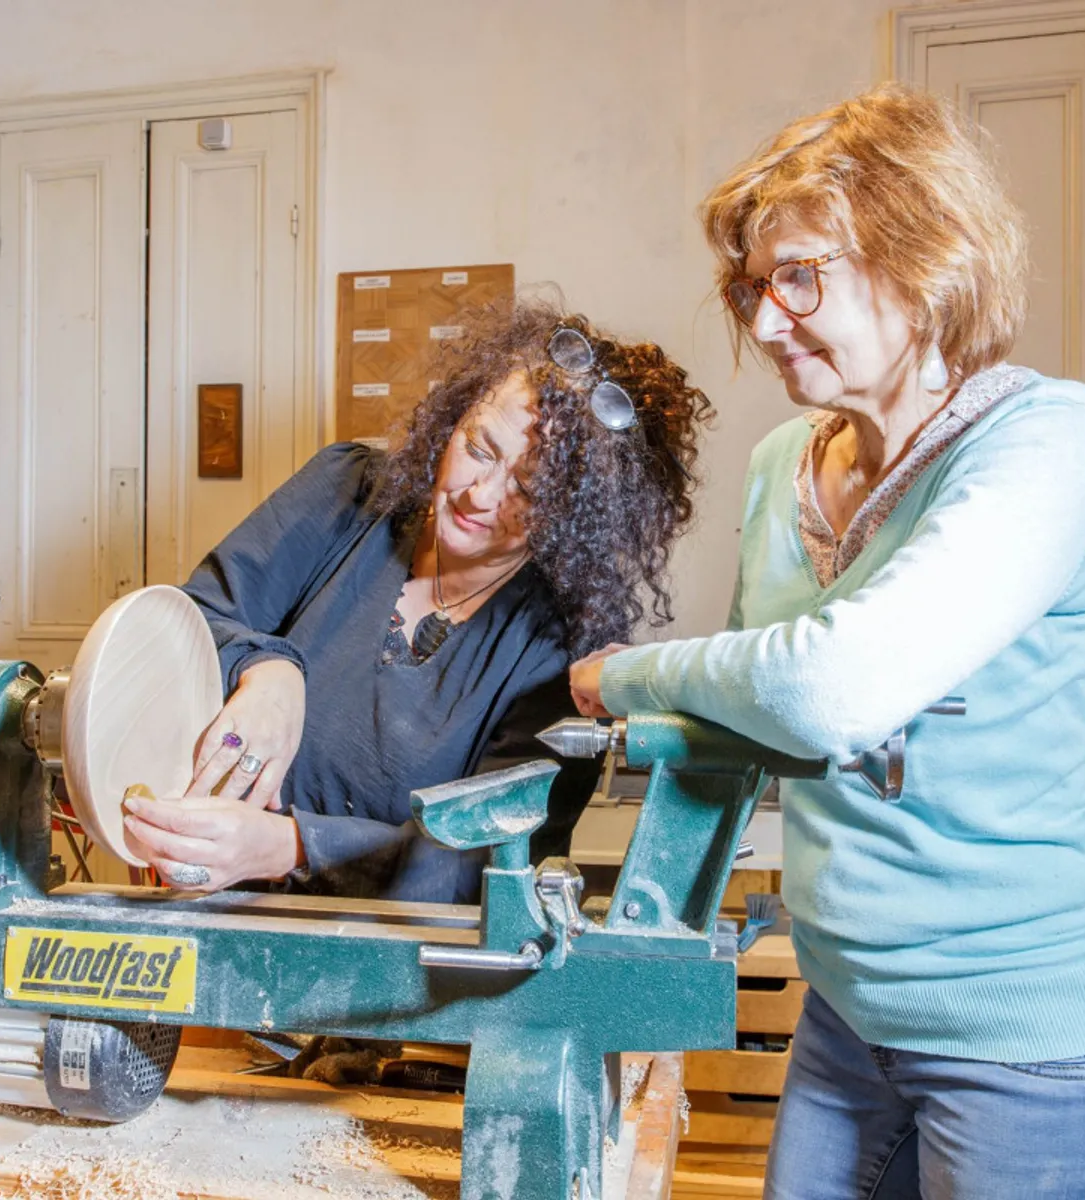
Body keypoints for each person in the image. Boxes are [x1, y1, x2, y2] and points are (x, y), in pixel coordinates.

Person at [569, 85, 1085, 1198]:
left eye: (800, 277)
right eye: (752, 288)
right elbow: (756, 704)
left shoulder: (1048, 439)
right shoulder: (781, 466)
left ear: (924, 258)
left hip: (1029, 1041)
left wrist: (626, 673)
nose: (764, 323)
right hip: (850, 1022)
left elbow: (826, 690)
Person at [121, 298, 713, 904]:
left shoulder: (561, 658)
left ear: (578, 520)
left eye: (528, 490)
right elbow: (186, 625)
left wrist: (288, 847)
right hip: (202, 905)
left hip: (384, 963)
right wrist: (268, 670)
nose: (479, 494)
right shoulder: (348, 492)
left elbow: (485, 863)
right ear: (453, 419)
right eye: (479, 448)